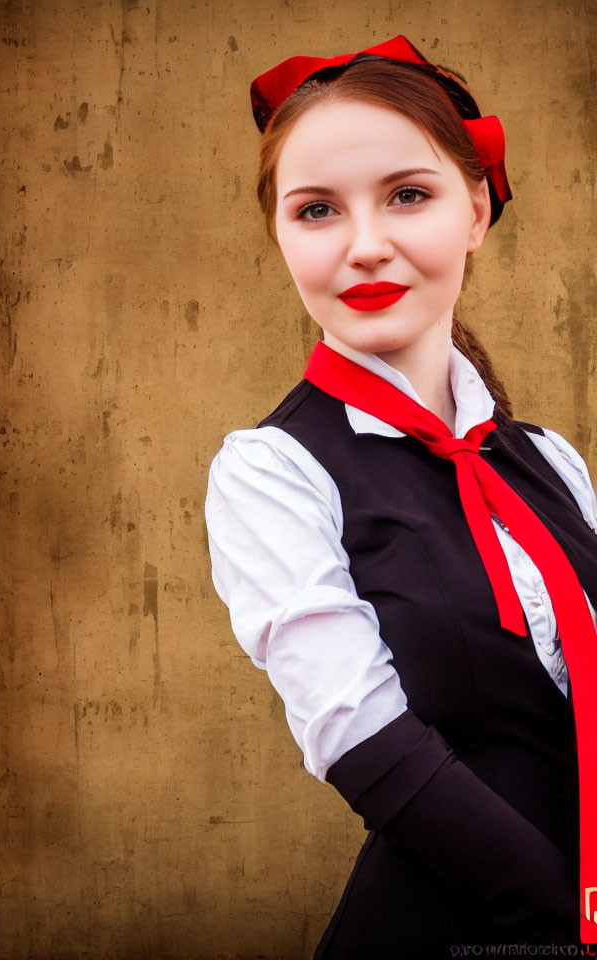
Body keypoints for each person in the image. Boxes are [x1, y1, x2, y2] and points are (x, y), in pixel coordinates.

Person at [204, 35, 597, 959]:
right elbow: (364, 740)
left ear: (477, 213)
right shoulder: (270, 470)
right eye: (316, 211)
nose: (365, 246)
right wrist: (568, 926)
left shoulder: (551, 458)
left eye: (408, 195)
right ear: (281, 237)